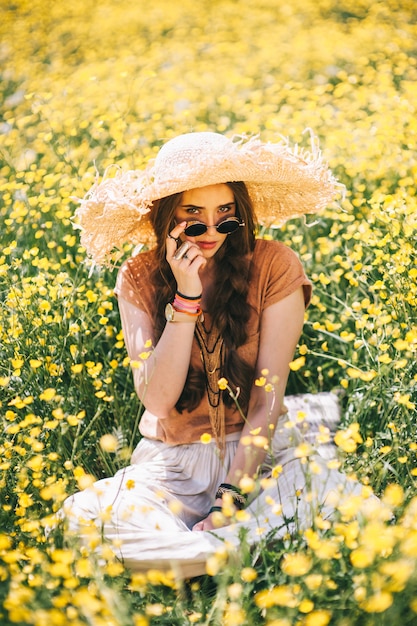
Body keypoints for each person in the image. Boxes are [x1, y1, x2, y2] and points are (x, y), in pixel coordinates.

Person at [64, 131, 371, 578]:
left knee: (331, 495)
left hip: (259, 458)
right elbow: (157, 400)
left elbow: (267, 400)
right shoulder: (139, 275)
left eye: (225, 216)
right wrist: (186, 298)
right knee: (84, 522)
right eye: (193, 216)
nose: (211, 232)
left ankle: (196, 554)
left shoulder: (275, 265)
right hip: (172, 465)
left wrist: (231, 499)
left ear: (240, 215)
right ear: (167, 216)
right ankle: (250, 548)